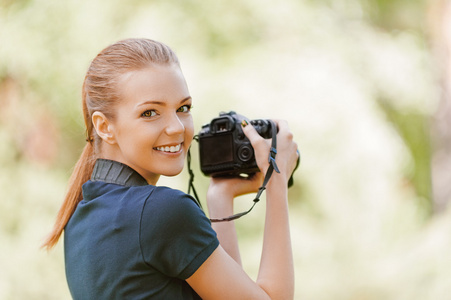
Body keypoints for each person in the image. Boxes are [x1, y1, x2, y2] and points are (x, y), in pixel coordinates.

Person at [43, 38, 299, 300]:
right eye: (150, 113)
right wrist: (276, 179)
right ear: (104, 127)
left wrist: (219, 197)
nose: (177, 127)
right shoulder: (161, 211)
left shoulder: (80, 218)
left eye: (183, 108)